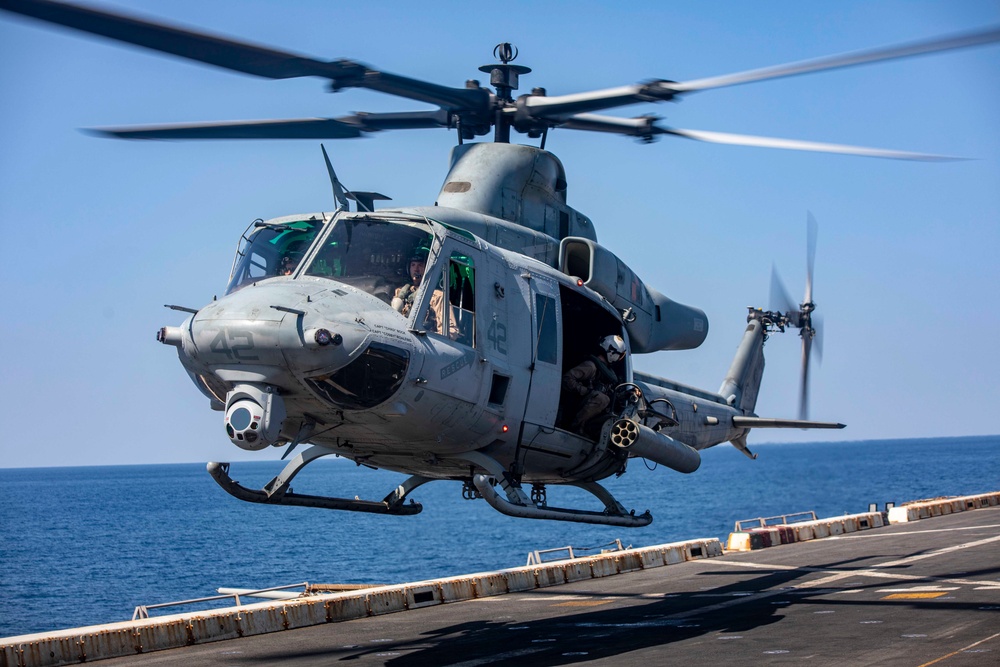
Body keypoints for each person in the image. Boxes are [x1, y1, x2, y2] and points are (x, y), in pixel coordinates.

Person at [562, 335, 627, 435]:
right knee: (602, 399)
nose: (619, 358)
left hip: (589, 408)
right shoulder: (591, 366)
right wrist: (586, 391)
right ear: (612, 352)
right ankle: (575, 428)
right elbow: (567, 378)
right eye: (619, 355)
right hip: (575, 405)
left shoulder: (607, 373)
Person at [392, 252, 458, 339]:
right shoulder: (399, 292)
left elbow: (451, 332)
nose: (416, 269)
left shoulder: (437, 296)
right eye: (413, 265)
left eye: (420, 265)